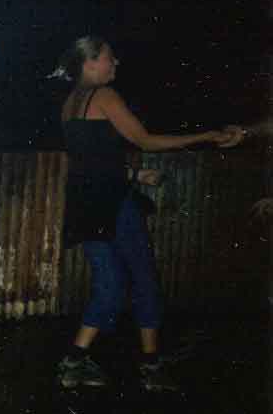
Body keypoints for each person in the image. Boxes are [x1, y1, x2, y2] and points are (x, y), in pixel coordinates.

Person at [53, 36, 237, 392]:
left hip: (86, 204)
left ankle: (73, 361)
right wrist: (207, 135)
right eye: (109, 58)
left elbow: (91, 165)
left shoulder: (69, 104)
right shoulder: (104, 96)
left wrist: (136, 175)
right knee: (144, 279)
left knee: (109, 284)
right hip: (114, 204)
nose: (116, 63)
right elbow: (144, 140)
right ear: (90, 62)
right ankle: (151, 367)